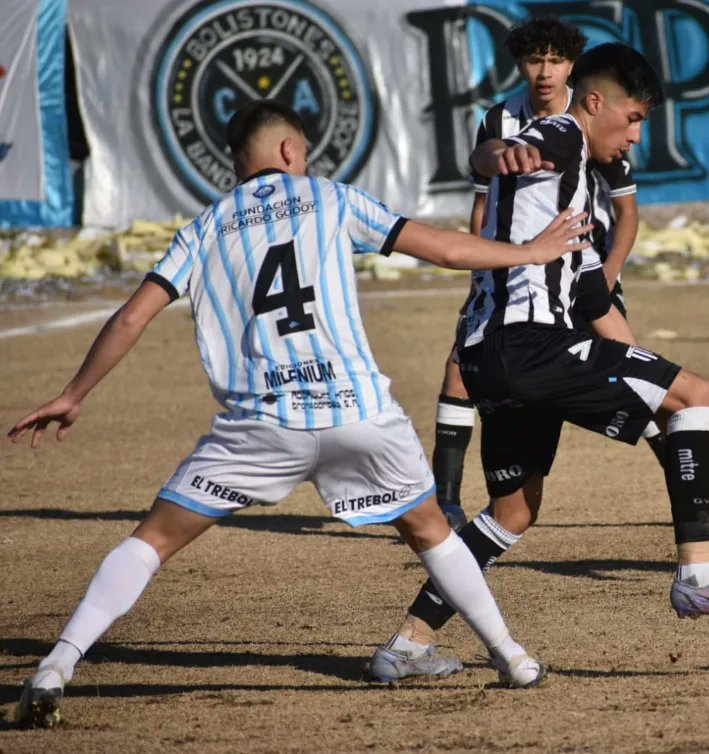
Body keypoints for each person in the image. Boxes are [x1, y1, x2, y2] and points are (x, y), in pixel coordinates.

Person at [9, 99, 593, 727]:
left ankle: (58, 664)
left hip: (263, 424)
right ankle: (511, 657)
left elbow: (131, 317)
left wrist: (74, 394)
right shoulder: (330, 197)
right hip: (357, 411)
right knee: (431, 532)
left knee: (151, 540)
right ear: (290, 151)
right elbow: (446, 249)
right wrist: (529, 253)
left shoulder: (203, 228)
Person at [369, 42, 709, 684]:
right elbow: (507, 151)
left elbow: (593, 297)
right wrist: (498, 154)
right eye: (635, 118)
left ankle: (407, 644)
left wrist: (657, 410)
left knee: (513, 511)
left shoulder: (570, 198)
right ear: (596, 104)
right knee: (699, 392)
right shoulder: (563, 134)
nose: (637, 136)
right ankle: (699, 574)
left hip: (492, 357)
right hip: (529, 346)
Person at [433, 18, 662, 532]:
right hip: (511, 277)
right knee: (457, 370)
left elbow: (626, 214)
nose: (544, 71)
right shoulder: (498, 119)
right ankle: (446, 500)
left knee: (634, 371)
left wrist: (606, 275)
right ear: (519, 64)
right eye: (534, 59)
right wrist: (483, 268)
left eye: (556, 60)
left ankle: (680, 471)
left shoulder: (591, 123)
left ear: (574, 69)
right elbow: (482, 194)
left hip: (581, 275)